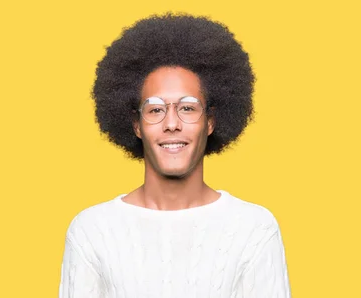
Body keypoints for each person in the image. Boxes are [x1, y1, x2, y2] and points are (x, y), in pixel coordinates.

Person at [59, 13, 291, 298]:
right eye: (155, 109)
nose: (172, 123)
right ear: (136, 124)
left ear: (210, 121)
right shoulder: (91, 231)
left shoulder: (253, 229)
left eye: (188, 107)